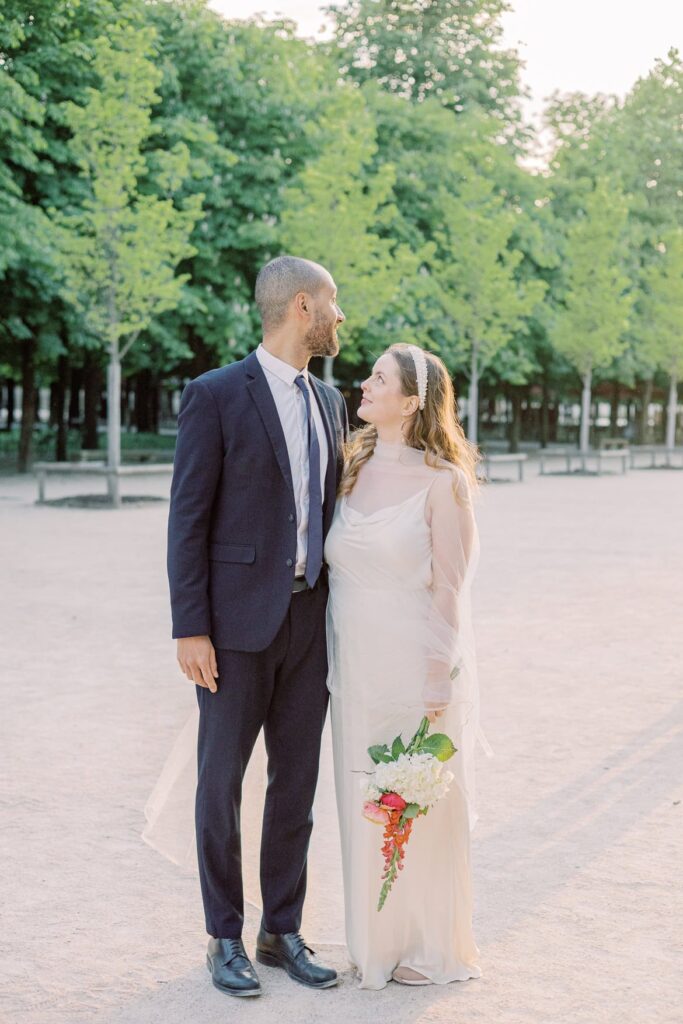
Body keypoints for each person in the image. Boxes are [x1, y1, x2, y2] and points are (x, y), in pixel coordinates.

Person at [163, 255, 348, 998]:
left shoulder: (330, 402)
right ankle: (223, 935)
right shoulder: (214, 395)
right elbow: (187, 518)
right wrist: (190, 628)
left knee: (295, 785)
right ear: (302, 306)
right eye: (333, 302)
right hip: (233, 629)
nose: (341, 316)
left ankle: (281, 930)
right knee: (220, 785)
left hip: (309, 621)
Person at [324, 342, 489, 989]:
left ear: (412, 401)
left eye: (379, 379)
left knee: (414, 802)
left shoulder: (444, 482)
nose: (364, 385)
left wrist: (435, 674)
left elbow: (450, 587)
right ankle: (374, 942)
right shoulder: (351, 466)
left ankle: (426, 944)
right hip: (353, 671)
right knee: (362, 799)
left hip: (411, 671)